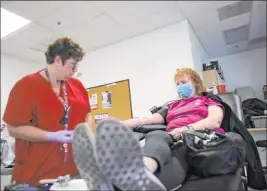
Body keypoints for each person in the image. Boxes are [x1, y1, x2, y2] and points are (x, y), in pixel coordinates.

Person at [72, 68, 225, 191]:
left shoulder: (207, 100)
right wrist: (119, 124)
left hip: (197, 137)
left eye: (183, 82)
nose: (180, 86)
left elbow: (214, 121)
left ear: (195, 82)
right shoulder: (172, 105)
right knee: (156, 141)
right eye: (177, 84)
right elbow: (147, 120)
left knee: (164, 141)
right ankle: (108, 180)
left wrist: (185, 129)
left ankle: (142, 169)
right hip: (172, 139)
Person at [2, 37, 92, 185]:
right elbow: (13, 128)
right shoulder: (26, 86)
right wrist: (50, 136)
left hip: (73, 174)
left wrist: (86, 131)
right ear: (57, 61)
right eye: (72, 65)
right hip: (35, 176)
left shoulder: (77, 86)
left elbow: (88, 113)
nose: (75, 71)